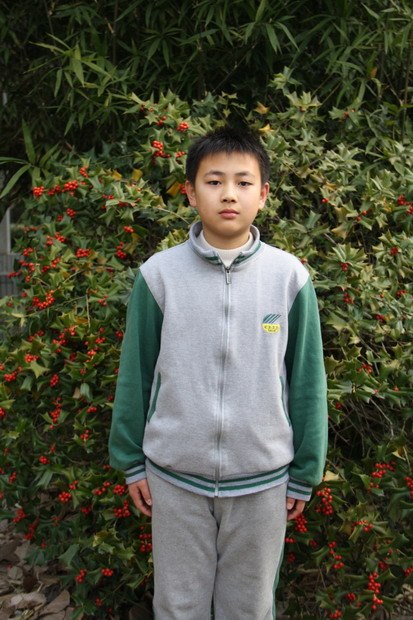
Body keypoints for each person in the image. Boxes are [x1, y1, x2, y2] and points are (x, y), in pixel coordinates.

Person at [109, 126, 328, 619]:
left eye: (243, 182)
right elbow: (135, 373)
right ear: (190, 192)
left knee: (248, 607)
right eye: (213, 181)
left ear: (263, 194)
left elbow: (307, 382)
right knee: (177, 606)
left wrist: (305, 471)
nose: (229, 194)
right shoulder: (159, 276)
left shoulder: (289, 278)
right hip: (174, 479)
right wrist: (131, 461)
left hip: (263, 483)